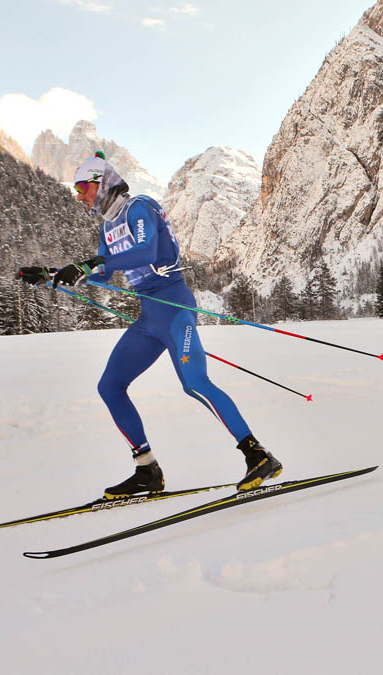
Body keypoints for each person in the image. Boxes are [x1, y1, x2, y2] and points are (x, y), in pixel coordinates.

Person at [17, 152, 281, 498]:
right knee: (110, 387)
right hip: (148, 318)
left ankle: (257, 454)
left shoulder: (140, 207)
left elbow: (145, 251)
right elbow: (104, 269)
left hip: (174, 308)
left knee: (195, 384)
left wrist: (89, 263)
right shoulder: (109, 227)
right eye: (77, 190)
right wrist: (54, 274)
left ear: (103, 182)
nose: (80, 195)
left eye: (83, 187)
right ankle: (147, 470)